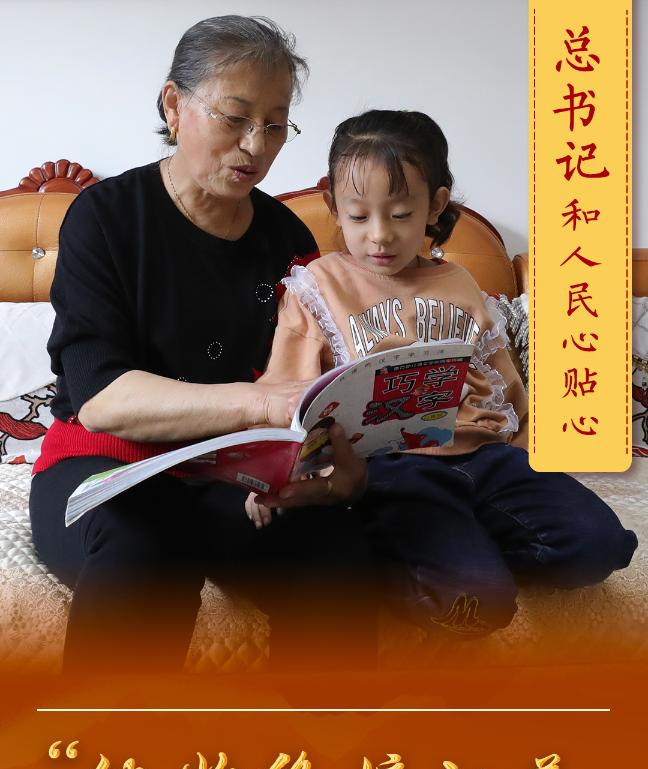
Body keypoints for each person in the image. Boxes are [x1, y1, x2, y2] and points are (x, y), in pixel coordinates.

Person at [29, 16, 371, 674]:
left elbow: (307, 390)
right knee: (146, 541)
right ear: (174, 105)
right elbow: (101, 397)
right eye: (235, 118)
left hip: (233, 476)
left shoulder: (287, 239)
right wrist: (261, 404)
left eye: (276, 125)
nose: (256, 146)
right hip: (105, 466)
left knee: (335, 548)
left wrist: (335, 469)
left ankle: (325, 733)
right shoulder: (105, 218)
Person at [246, 109, 637, 636]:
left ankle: (466, 548)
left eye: (401, 214)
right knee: (476, 604)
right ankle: (422, 565)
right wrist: (269, 474)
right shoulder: (318, 285)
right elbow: (284, 393)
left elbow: (506, 387)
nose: (380, 236)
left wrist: (529, 456)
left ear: (435, 206)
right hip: (393, 471)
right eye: (359, 217)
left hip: (488, 458)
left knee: (602, 547)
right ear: (334, 207)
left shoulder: (460, 282)